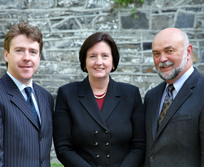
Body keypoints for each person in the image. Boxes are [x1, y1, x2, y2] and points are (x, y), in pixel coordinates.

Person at [53, 32, 146, 167]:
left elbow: (139, 145)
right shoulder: (67, 94)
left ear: (113, 62)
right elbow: (63, 148)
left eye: (105, 56)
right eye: (92, 56)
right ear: (84, 62)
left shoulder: (131, 94)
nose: (99, 62)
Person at [0, 22, 54, 167]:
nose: (27, 57)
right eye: (19, 50)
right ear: (6, 55)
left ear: (39, 57)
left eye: (33, 52)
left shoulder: (46, 97)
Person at [144, 27, 204, 167]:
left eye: (169, 51)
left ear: (188, 52)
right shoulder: (151, 96)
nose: (162, 59)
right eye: (156, 53)